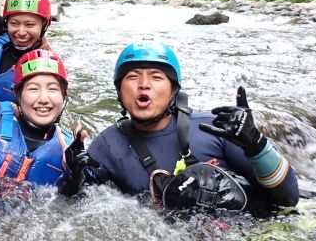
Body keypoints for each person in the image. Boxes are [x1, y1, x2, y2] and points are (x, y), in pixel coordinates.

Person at [85, 41, 300, 210]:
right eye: (132, 77)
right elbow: (74, 206)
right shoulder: (106, 146)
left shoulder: (214, 129)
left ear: (173, 91)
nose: (144, 84)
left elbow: (289, 198)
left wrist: (256, 144)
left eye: (156, 77)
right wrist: (72, 178)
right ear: (119, 91)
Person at [0, 49, 88, 193]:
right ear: (17, 95)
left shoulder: (70, 151)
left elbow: (70, 201)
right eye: (33, 89)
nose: (44, 99)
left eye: (52, 89)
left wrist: (75, 175)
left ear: (63, 96)